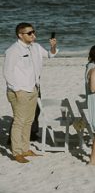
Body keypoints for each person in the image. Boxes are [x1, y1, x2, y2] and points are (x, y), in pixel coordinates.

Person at [4, 23, 58, 163]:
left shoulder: (35, 47)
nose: (33, 35)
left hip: (34, 88)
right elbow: (7, 72)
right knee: (19, 121)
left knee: (29, 121)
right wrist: (16, 90)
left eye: (33, 32)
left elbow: (50, 55)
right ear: (20, 35)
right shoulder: (13, 50)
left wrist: (52, 46)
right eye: (29, 33)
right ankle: (17, 152)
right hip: (19, 91)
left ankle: (25, 148)